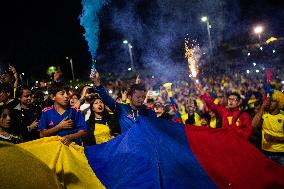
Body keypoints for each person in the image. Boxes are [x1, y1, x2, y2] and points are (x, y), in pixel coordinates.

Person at [90, 70, 156, 133]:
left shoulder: (149, 112)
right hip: (127, 144)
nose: (141, 100)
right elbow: (106, 98)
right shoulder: (121, 109)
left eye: (143, 97)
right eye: (138, 97)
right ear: (129, 97)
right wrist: (97, 82)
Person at [252, 90, 284, 165]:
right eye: (269, 101)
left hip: (281, 154)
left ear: (279, 102)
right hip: (265, 152)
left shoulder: (283, 117)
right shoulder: (264, 113)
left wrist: (273, 138)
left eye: (273, 101)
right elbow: (253, 125)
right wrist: (262, 108)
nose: (269, 103)